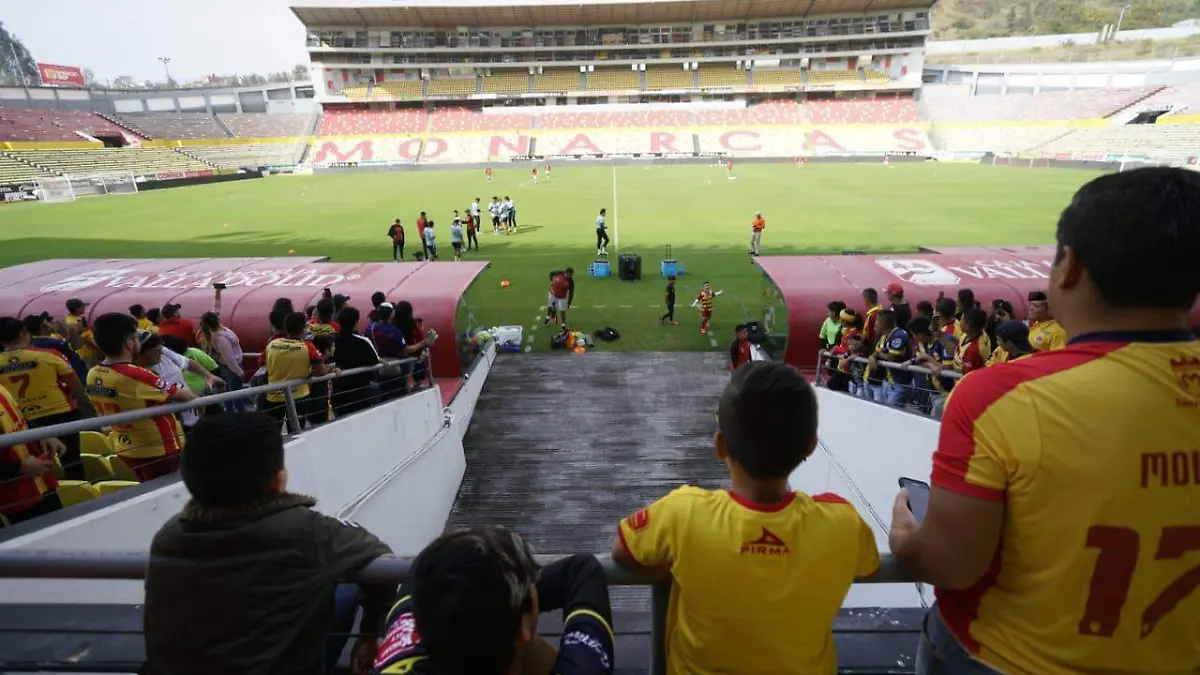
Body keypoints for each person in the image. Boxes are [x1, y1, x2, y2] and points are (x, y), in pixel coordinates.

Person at [889, 167, 1200, 675]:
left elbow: (951, 564)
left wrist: (905, 534)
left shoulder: (998, 395)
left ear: (1069, 267)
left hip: (1010, 660)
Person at [613, 362, 878, 675]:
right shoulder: (842, 521)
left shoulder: (683, 513)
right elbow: (868, 564)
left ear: (720, 445)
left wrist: (683, 561)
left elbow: (622, 550)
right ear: (810, 446)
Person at [144, 412, 394, 675]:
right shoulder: (310, 532)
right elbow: (381, 560)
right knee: (347, 586)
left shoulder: (168, 536)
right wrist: (369, 634)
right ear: (278, 479)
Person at [375, 527, 614, 675]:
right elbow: (583, 570)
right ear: (523, 626)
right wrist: (509, 596)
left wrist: (499, 597)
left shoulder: (396, 662)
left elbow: (422, 569)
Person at [86, 313, 195, 482]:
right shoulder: (137, 375)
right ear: (129, 342)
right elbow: (183, 395)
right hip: (158, 449)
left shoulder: (92, 374)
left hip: (125, 447)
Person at [0, 316, 89, 481]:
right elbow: (75, 385)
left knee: (39, 467)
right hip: (61, 415)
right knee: (71, 461)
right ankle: (81, 490)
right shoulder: (49, 355)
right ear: (23, 332)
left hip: (24, 422)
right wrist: (83, 408)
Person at [0, 385, 65, 525]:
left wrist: (41, 433)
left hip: (41, 482)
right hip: (15, 496)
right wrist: (19, 467)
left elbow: (18, 417)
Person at [136, 331, 222, 432]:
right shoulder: (137, 372)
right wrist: (190, 397)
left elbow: (187, 363)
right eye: (156, 350)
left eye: (161, 347)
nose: (161, 351)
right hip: (170, 423)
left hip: (193, 414)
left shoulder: (163, 353)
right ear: (140, 353)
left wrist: (209, 376)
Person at [261, 312, 327, 433]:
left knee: (272, 431)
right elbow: (321, 370)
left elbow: (262, 364)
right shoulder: (308, 347)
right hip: (299, 396)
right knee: (296, 431)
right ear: (303, 329)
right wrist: (309, 373)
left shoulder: (271, 344)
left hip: (273, 395)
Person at [331, 307, 380, 417]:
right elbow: (374, 361)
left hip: (338, 391)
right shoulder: (362, 343)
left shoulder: (332, 340)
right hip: (360, 391)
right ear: (356, 323)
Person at [197, 310, 245, 411]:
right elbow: (229, 359)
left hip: (227, 367)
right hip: (231, 369)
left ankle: (231, 413)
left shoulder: (217, 333)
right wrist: (239, 371)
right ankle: (240, 414)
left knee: (228, 393)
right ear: (215, 321)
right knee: (236, 394)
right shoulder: (220, 339)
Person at [23, 313, 88, 383]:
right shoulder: (55, 344)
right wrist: (73, 331)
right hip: (77, 377)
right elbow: (78, 346)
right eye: (48, 322)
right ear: (43, 326)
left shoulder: (33, 344)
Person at [866, 309, 911, 407]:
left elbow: (892, 358)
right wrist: (872, 357)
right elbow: (876, 352)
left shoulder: (899, 335)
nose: (875, 324)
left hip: (898, 384)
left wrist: (877, 355)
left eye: (877, 321)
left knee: (893, 415)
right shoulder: (883, 337)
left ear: (883, 323)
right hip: (887, 382)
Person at [952, 308, 989, 379]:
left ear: (969, 325)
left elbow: (967, 374)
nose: (959, 321)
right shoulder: (966, 334)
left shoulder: (975, 349)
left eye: (962, 319)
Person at [64, 298, 100, 366]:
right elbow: (86, 339)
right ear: (77, 309)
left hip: (88, 351)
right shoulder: (74, 323)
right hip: (87, 353)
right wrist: (99, 349)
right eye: (83, 307)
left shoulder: (74, 317)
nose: (84, 308)